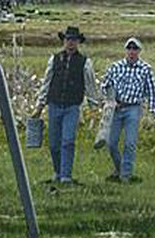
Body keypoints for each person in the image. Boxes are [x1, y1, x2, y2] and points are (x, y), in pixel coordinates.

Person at [33, 26, 99, 185]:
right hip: (54, 104)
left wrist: (93, 108)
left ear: (78, 42)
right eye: (68, 39)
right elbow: (46, 83)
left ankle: (66, 177)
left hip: (72, 107)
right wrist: (39, 106)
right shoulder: (54, 59)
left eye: (74, 40)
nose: (71, 43)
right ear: (64, 41)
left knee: (68, 141)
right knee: (54, 143)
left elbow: (90, 87)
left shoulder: (85, 63)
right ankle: (58, 172)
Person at [101, 37, 155, 183]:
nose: (132, 52)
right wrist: (110, 100)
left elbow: (151, 90)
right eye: (129, 49)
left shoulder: (145, 69)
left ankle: (126, 175)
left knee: (130, 143)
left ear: (139, 51)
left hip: (133, 108)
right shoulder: (116, 67)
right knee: (111, 142)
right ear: (126, 50)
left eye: (135, 49)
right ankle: (119, 167)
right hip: (117, 107)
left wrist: (152, 111)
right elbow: (105, 85)